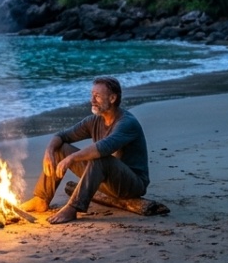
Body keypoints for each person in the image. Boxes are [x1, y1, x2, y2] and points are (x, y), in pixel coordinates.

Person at [20, 76, 149, 224]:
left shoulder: (127, 123)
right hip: (104, 180)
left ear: (112, 98)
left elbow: (103, 148)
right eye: (92, 95)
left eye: (98, 96)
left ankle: (73, 208)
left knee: (100, 158)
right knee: (59, 148)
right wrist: (49, 152)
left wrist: (71, 159)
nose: (92, 100)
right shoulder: (94, 121)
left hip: (131, 185)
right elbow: (61, 136)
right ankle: (41, 199)